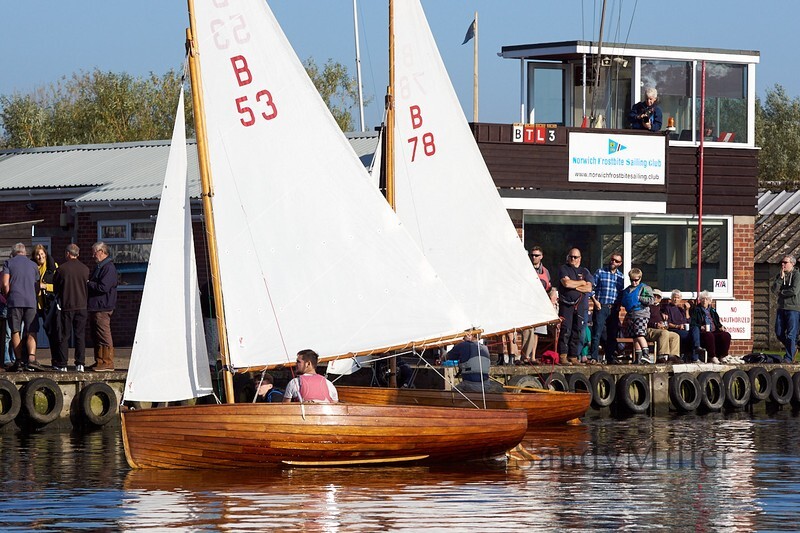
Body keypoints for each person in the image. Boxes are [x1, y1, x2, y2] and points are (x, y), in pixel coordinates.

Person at [1, 243, 43, 371]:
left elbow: (5, 283)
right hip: (30, 301)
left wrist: (9, 296)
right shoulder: (33, 265)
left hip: (15, 301)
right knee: (31, 330)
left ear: (14, 253)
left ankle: (18, 361)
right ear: (24, 252)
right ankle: (31, 358)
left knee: (15, 331)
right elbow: (37, 285)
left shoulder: (9, 263)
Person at [53, 244, 90, 372]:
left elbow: (56, 287)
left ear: (68, 253)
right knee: (80, 335)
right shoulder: (85, 269)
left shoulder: (62, 269)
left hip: (67, 306)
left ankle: (62, 364)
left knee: (64, 335)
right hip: (82, 306)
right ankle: (80, 363)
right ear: (77, 254)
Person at [557, 248, 594, 364]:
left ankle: (573, 356)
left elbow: (589, 288)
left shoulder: (585, 271)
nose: (572, 259)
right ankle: (563, 355)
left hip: (580, 305)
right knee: (566, 329)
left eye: (575, 257)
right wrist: (581, 283)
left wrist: (575, 285)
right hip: (566, 304)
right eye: (571, 257)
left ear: (580, 258)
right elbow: (566, 283)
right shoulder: (564, 269)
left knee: (577, 330)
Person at [87, 242, 118, 371]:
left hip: (103, 307)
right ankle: (99, 360)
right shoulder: (100, 267)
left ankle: (107, 361)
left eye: (95, 252)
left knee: (104, 334)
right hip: (97, 306)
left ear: (102, 251)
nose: (93, 255)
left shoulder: (108, 268)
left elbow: (103, 287)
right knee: (97, 335)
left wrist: (89, 283)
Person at [590, 252, 624, 364]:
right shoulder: (600, 272)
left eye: (616, 261)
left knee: (612, 334)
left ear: (620, 263)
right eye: (612, 259)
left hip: (613, 308)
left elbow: (621, 293)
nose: (613, 262)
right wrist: (595, 302)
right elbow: (591, 289)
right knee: (597, 333)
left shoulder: (620, 277)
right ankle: (594, 357)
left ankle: (610, 357)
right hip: (601, 306)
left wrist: (618, 306)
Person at [520, 246, 551, 364]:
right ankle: (525, 357)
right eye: (532, 255)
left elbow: (548, 287)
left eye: (536, 255)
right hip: (528, 303)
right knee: (527, 331)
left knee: (538, 331)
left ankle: (532, 357)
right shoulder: (526, 269)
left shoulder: (545, 271)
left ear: (541, 256)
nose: (534, 257)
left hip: (540, 304)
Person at [31, 244, 60, 366]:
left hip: (48, 304)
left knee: (52, 332)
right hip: (33, 304)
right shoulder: (31, 267)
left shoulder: (53, 267)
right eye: (38, 254)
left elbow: (59, 286)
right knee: (31, 332)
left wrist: (45, 286)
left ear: (46, 254)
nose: (40, 256)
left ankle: (56, 360)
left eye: (42, 254)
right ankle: (31, 360)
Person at [620, 268, 655, 364]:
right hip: (631, 315)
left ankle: (646, 355)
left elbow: (651, 300)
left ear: (640, 279)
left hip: (641, 314)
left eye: (636, 280)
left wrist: (640, 298)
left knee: (640, 334)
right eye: (632, 280)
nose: (634, 282)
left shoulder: (644, 288)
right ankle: (638, 358)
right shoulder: (627, 290)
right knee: (634, 336)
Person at [771, 255, 800, 364]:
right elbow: (773, 289)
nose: (783, 265)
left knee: (791, 334)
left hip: (793, 308)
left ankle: (788, 358)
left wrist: (781, 293)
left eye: (785, 262)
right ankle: (793, 348)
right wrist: (780, 279)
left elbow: (794, 291)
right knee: (779, 332)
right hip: (781, 307)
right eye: (781, 262)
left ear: (792, 264)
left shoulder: (797, 275)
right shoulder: (781, 275)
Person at [689, 291, 731, 364]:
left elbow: (717, 322)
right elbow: (692, 323)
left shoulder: (712, 310)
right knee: (709, 335)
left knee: (726, 335)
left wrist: (721, 327)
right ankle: (712, 356)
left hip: (714, 330)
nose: (704, 301)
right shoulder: (696, 310)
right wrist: (701, 327)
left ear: (709, 301)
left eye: (706, 299)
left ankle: (723, 355)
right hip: (703, 332)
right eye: (702, 299)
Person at [646, 289, 682, 363]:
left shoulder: (661, 308)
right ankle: (662, 356)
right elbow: (644, 321)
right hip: (649, 329)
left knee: (675, 335)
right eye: (654, 296)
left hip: (660, 330)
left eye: (658, 297)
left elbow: (667, 322)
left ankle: (673, 356)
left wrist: (665, 321)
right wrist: (655, 325)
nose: (656, 298)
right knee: (664, 333)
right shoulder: (647, 307)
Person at [662, 289, 693, 359]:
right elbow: (667, 323)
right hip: (673, 329)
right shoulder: (667, 308)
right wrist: (677, 326)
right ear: (671, 298)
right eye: (674, 297)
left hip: (682, 328)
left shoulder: (680, 309)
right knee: (685, 335)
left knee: (693, 333)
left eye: (678, 298)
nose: (676, 299)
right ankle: (683, 354)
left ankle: (691, 355)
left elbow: (688, 321)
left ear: (680, 299)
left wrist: (687, 310)